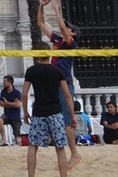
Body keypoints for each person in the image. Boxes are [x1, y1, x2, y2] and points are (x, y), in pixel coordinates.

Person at [38, 0, 82, 168]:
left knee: (65, 121)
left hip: (65, 83)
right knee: (55, 118)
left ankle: (75, 154)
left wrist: (56, 10)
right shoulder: (57, 40)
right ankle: (62, 148)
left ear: (73, 34)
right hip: (54, 84)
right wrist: (42, 7)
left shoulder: (71, 44)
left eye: (70, 29)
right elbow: (41, 24)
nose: (66, 29)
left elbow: (62, 27)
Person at [23, 45, 75, 177]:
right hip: (55, 112)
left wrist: (25, 112)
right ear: (50, 54)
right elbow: (67, 95)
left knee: (33, 146)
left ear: (38, 54)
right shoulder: (57, 71)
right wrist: (72, 115)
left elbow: (24, 94)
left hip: (39, 112)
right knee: (60, 147)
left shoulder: (31, 71)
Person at [0, 74, 23, 145]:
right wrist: (12, 104)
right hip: (7, 115)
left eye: (5, 81)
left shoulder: (17, 93)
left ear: (10, 82)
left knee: (17, 135)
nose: (3, 83)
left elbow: (17, 105)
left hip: (15, 116)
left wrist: (7, 103)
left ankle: (18, 145)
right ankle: (4, 139)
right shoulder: (3, 92)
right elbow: (1, 104)